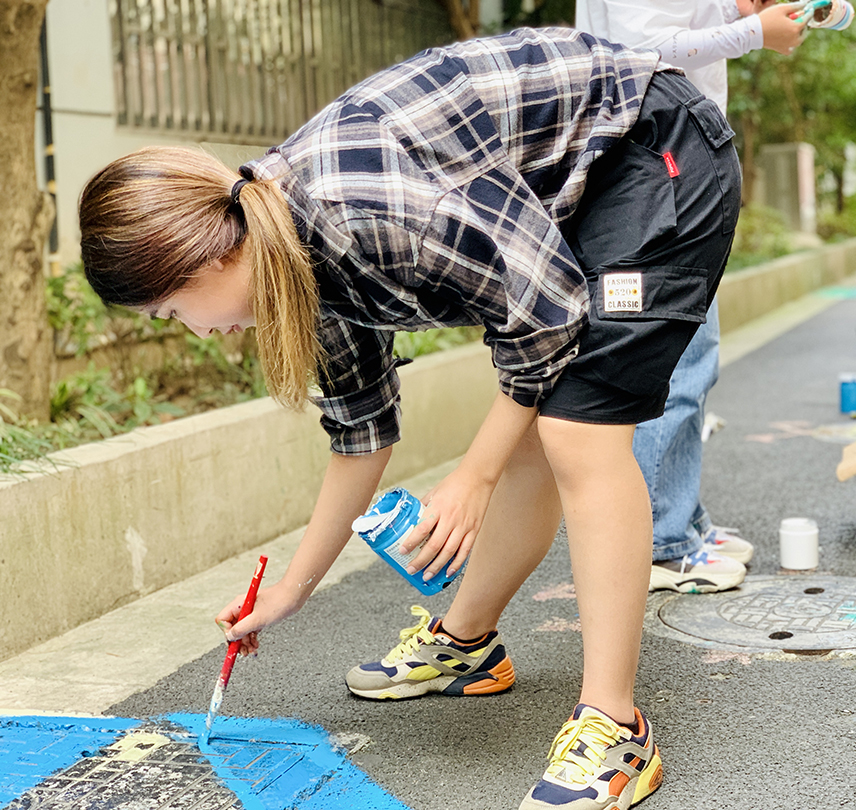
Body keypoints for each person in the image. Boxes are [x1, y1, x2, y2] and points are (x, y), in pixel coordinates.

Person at [78, 29, 742, 810]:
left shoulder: (359, 209)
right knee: (542, 414)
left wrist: (474, 477)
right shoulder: (289, 266)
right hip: (577, 187)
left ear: (207, 258)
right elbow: (363, 437)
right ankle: (468, 647)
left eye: (170, 310)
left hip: (653, 146)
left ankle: (615, 725)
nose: (192, 330)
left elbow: (547, 319)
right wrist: (292, 589)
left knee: (576, 427)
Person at [576, 0, 854, 594]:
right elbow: (641, 50)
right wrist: (755, 30)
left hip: (674, 163)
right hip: (653, 166)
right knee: (672, 362)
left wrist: (759, 16)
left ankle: (683, 522)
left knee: (693, 358)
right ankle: (661, 543)